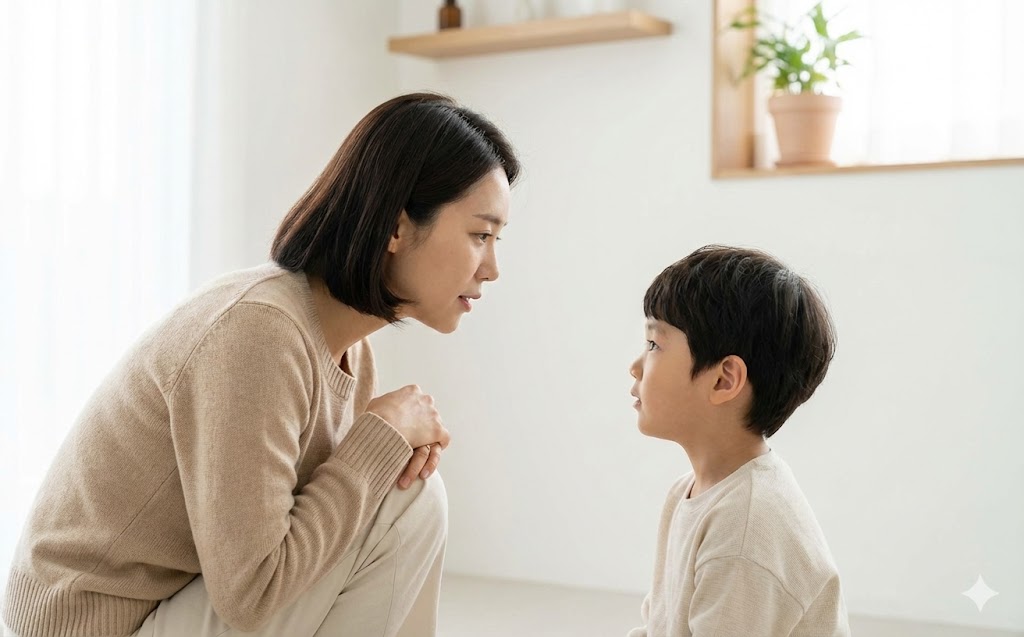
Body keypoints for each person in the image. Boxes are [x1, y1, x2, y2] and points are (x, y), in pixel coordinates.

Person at [2, 92, 520, 637]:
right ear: (395, 229)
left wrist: (380, 445)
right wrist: (379, 438)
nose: (492, 269)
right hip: (96, 627)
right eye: (479, 235)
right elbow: (254, 592)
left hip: (172, 605)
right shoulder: (258, 334)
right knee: (408, 497)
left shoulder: (346, 346)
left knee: (402, 488)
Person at [626, 245, 849, 637]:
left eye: (654, 345)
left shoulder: (745, 528)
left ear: (724, 379)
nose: (636, 365)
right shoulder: (688, 494)